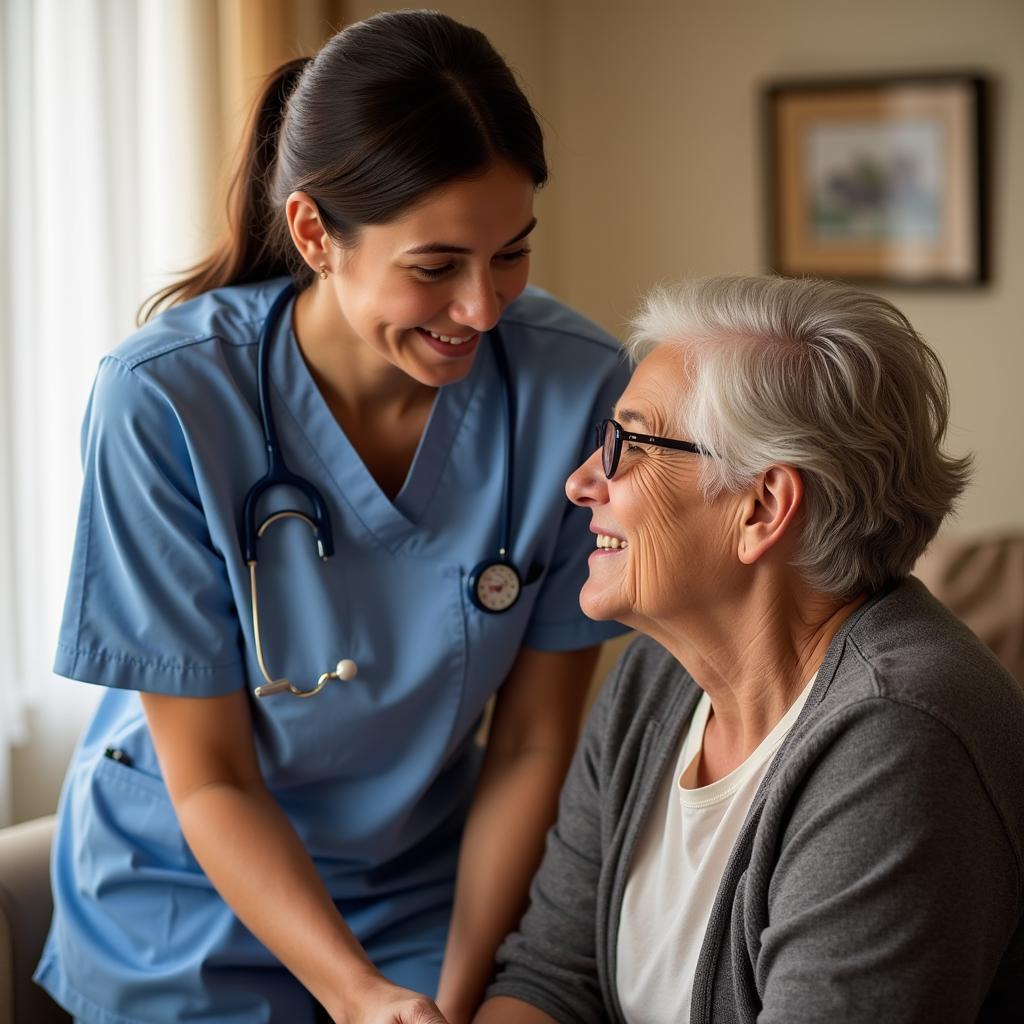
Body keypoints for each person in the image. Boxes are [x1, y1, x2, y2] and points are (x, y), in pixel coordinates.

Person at [35, 11, 629, 1024]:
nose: (482, 310)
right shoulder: (167, 399)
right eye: (435, 266)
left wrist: (445, 988)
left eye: (511, 254)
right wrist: (355, 998)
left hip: (427, 888)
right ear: (315, 233)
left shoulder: (575, 389)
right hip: (186, 895)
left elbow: (533, 743)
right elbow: (214, 775)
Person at [476, 276, 1024, 1023]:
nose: (580, 483)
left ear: (762, 507)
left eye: (625, 444)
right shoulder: (653, 678)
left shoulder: (900, 738)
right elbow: (550, 979)